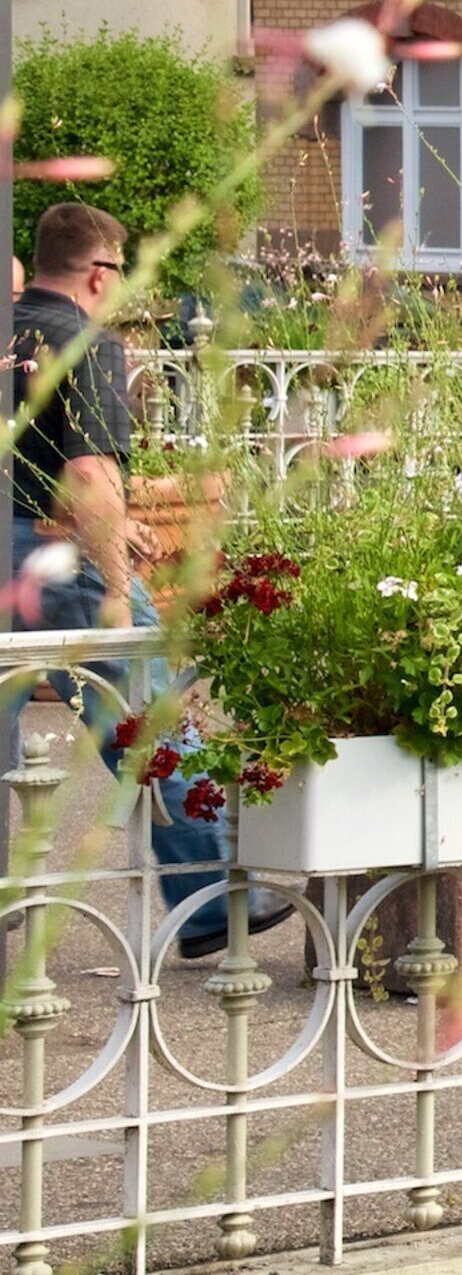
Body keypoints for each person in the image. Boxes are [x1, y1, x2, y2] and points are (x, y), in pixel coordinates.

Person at [12, 204, 260, 961]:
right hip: (59, 560)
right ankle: (209, 896)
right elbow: (88, 469)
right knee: (148, 717)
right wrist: (116, 580)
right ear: (99, 273)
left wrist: (112, 520)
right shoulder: (85, 341)